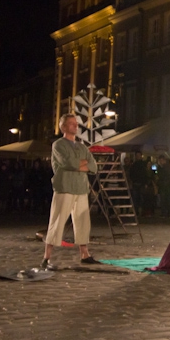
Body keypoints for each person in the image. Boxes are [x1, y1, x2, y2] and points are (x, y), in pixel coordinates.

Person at [41, 114, 100, 269]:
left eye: (76, 124)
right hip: (65, 187)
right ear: (64, 127)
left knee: (82, 221)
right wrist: (81, 165)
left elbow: (94, 166)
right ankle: (46, 257)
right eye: (72, 124)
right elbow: (68, 162)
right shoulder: (59, 145)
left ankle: (84, 253)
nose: (75, 126)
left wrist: (80, 165)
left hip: (81, 188)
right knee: (57, 220)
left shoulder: (82, 147)